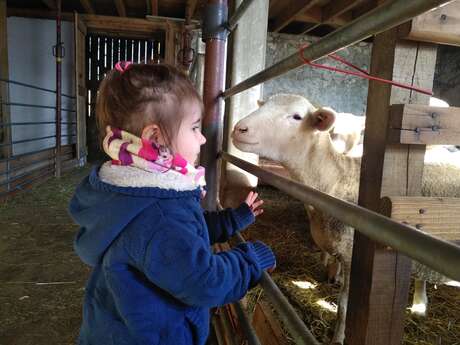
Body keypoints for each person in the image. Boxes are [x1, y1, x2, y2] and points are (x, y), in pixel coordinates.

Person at [69, 61, 276, 345]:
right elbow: (204, 282)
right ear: (155, 137)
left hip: (116, 328)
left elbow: (182, 233)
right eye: (193, 128)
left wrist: (231, 221)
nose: (203, 138)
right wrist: (251, 259)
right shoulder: (159, 214)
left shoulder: (134, 191)